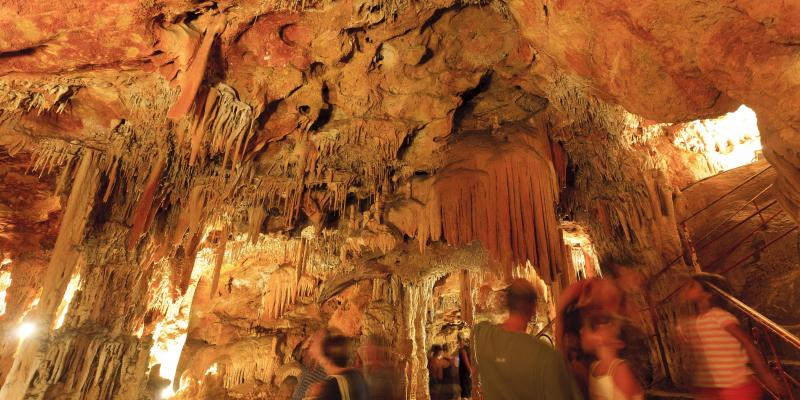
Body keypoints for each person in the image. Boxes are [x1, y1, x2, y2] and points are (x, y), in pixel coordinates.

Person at [679, 273, 786, 399]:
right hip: (711, 387)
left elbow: (747, 343)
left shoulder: (720, 316)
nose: (686, 289)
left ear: (708, 293)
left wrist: (764, 374)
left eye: (692, 286)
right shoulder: (696, 321)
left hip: (735, 385)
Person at [473, 278, 582, 400]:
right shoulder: (547, 357)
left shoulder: (483, 336)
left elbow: (477, 328)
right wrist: (562, 310)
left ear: (508, 304)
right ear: (533, 308)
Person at [580, 313, 643, 400]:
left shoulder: (620, 369)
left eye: (607, 326)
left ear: (618, 343)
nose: (582, 331)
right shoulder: (593, 367)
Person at [311, 335, 370, 400]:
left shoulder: (334, 384)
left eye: (321, 357)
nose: (320, 361)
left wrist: (315, 396)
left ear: (328, 360)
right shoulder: (357, 375)